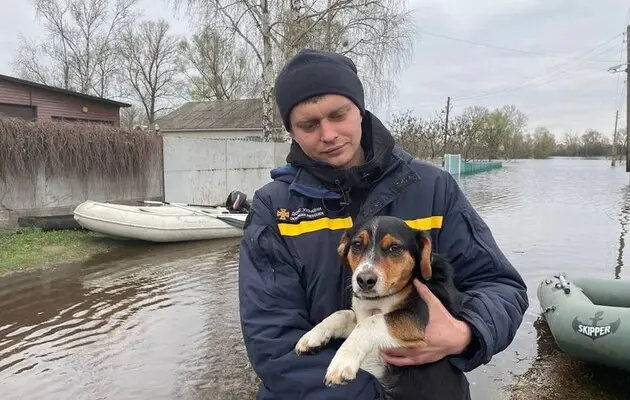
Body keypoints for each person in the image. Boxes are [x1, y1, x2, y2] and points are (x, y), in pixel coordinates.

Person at [238, 48, 529, 399]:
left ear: (359, 111)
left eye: (338, 115)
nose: (328, 134)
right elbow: (273, 345)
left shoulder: (433, 189)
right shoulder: (274, 209)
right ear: (291, 131)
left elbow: (500, 286)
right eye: (309, 124)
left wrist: (466, 333)